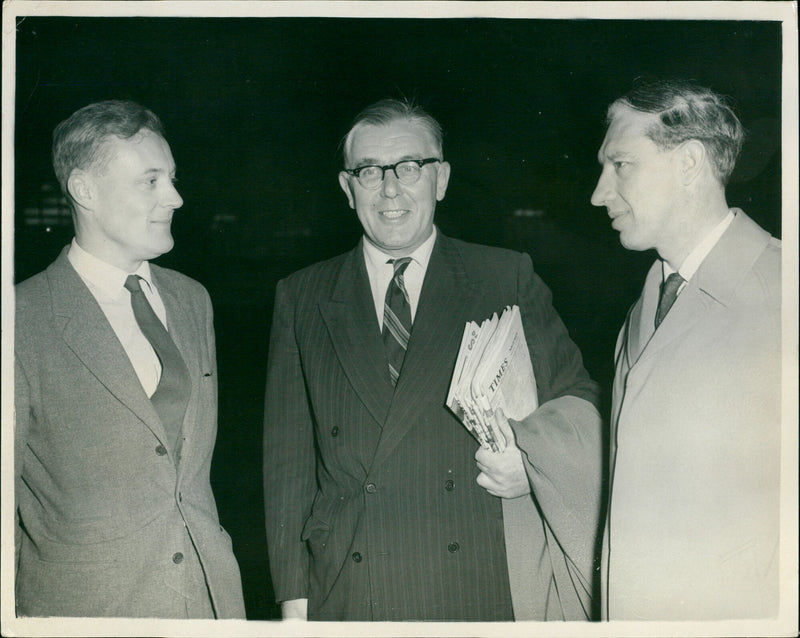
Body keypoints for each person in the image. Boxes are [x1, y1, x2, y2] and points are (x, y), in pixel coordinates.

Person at [263, 98, 603, 621]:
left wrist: (532, 465)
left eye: (409, 167)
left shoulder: (503, 276)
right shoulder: (302, 295)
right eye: (369, 171)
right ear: (347, 187)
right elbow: (288, 468)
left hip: (477, 581)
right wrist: (293, 606)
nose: (390, 188)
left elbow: (578, 401)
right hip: (351, 589)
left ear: (440, 179)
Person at [14, 100, 245, 618]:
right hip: (87, 614)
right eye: (151, 181)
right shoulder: (21, 319)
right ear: (84, 190)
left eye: (173, 178)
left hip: (209, 605)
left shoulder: (192, 300)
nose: (177, 198)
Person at [591, 79, 781, 620]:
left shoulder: (783, 290)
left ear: (690, 163)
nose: (599, 193)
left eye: (620, 165)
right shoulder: (643, 307)